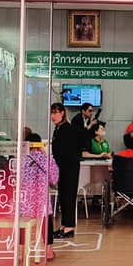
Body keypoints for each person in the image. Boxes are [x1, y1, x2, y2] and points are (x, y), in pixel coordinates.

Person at [21, 132, 59, 261]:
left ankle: (21, 250)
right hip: (41, 199)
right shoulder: (46, 159)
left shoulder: (22, 158)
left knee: (22, 222)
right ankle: (49, 250)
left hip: (25, 200)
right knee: (46, 222)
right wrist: (46, 154)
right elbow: (54, 179)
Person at [50, 102, 81, 239]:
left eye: (55, 113)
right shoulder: (57, 129)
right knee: (63, 196)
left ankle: (69, 227)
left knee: (69, 196)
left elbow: (68, 150)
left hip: (69, 168)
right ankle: (64, 225)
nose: (53, 116)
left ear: (62, 113)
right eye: (51, 113)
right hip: (61, 167)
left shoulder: (67, 128)